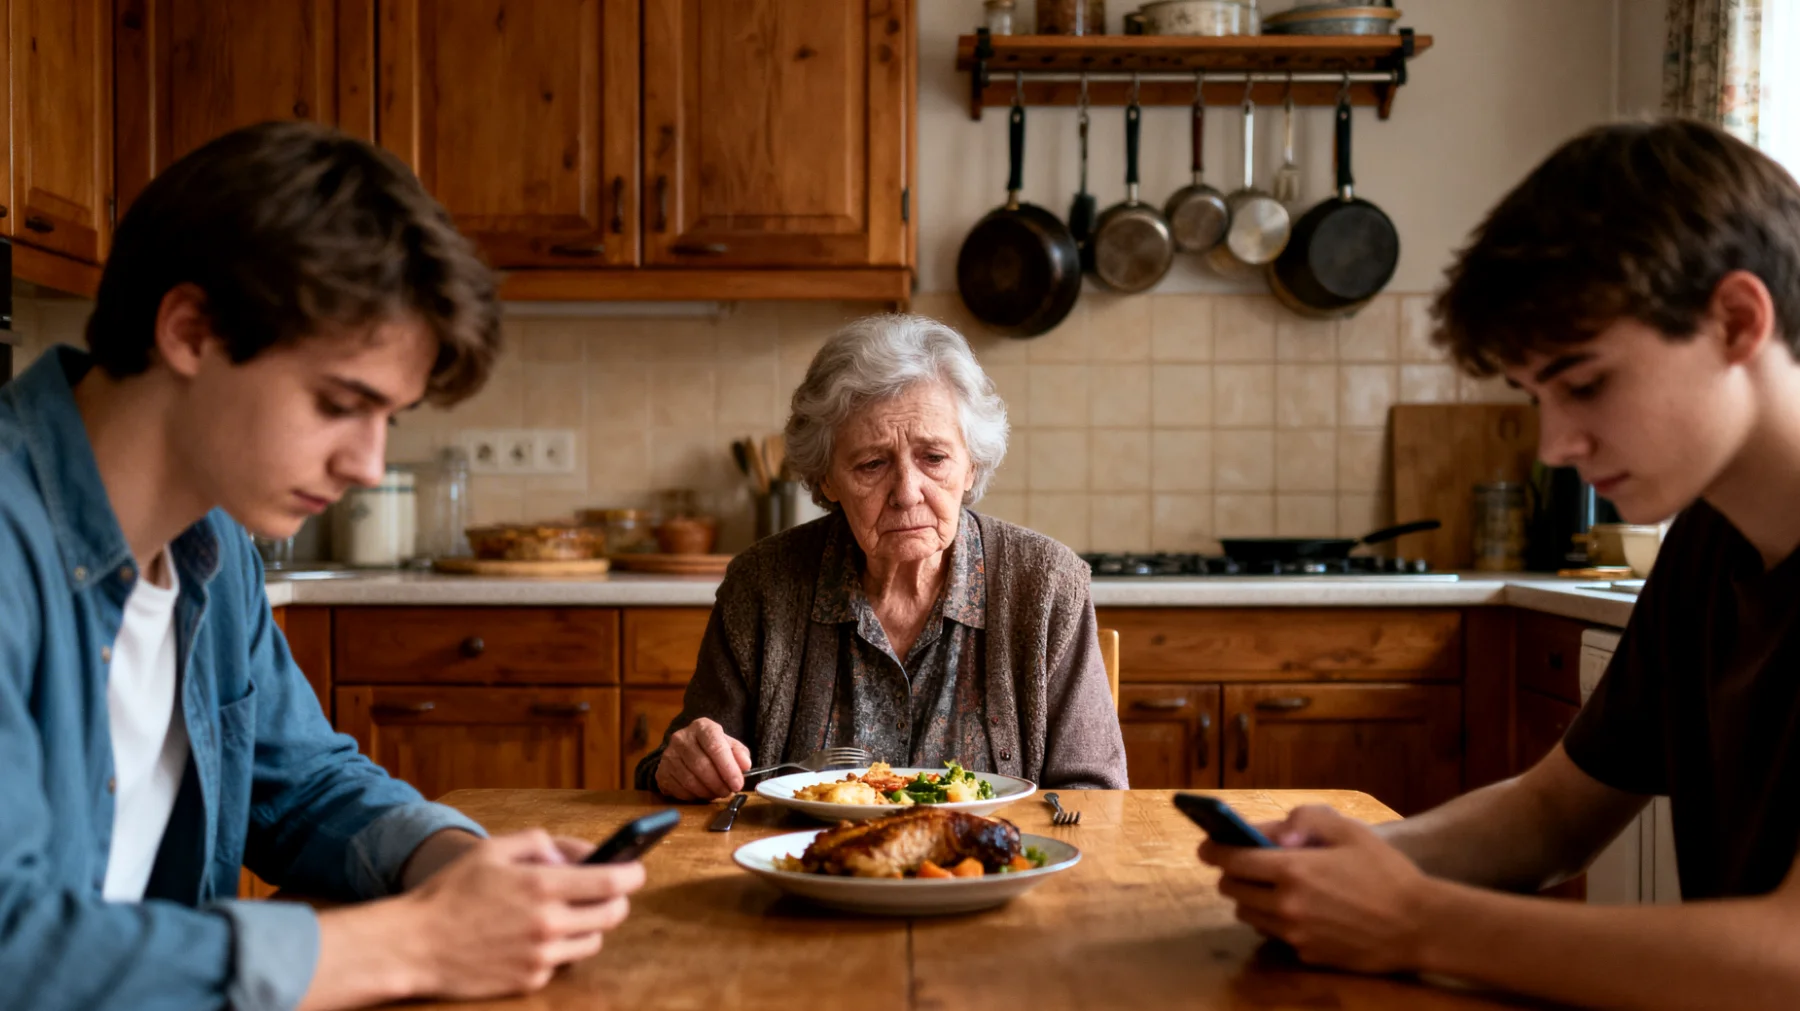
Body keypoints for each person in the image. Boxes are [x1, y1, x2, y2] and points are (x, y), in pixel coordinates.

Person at [0, 121, 643, 1011]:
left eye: (391, 420)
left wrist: (459, 867)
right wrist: (419, 942)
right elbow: (14, 947)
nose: (369, 466)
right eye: (340, 403)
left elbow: (301, 784)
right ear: (191, 330)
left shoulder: (210, 553)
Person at [1199, 117, 1800, 1009]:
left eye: (1587, 382)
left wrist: (1413, 920)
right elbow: (1554, 814)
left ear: (1737, 319)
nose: (1555, 443)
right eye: (1536, 396)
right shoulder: (1710, 540)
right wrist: (1349, 867)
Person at [637, 314, 1128, 800]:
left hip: (991, 871)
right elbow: (685, 767)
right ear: (826, 479)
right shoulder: (762, 585)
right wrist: (681, 766)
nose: (907, 493)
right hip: (810, 870)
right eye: (872, 464)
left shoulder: (1045, 584)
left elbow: (1098, 797)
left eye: (933, 458)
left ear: (971, 466)